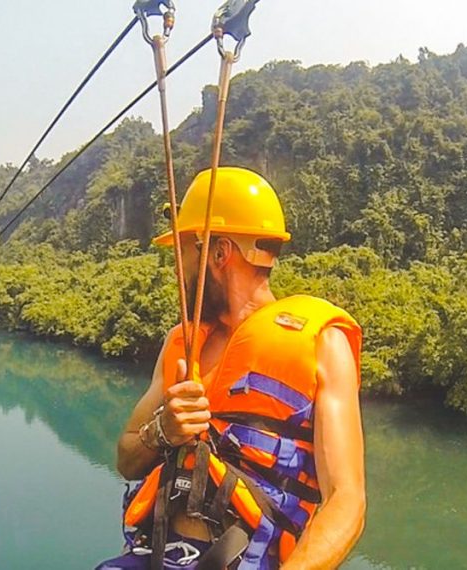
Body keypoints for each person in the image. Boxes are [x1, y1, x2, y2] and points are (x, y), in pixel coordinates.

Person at [97, 167, 365, 570]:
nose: (178, 273)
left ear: (219, 253)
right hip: (157, 555)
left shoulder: (323, 345)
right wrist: (161, 432)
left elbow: (347, 501)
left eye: (183, 253)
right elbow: (127, 459)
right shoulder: (181, 344)